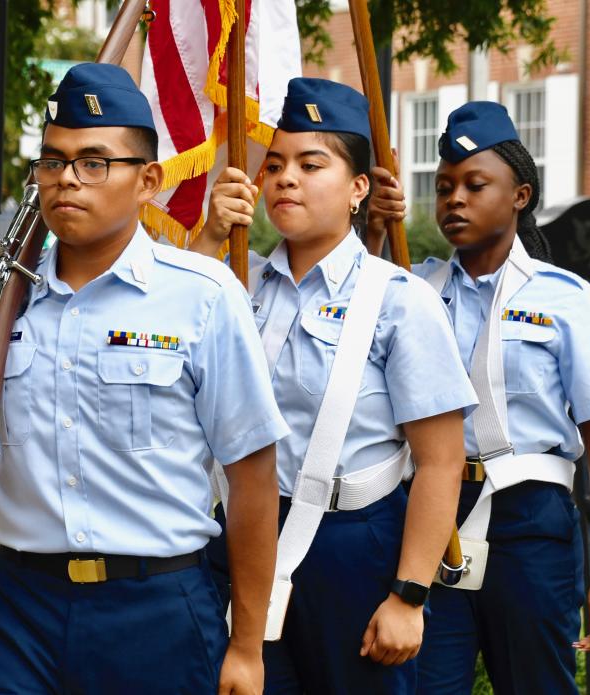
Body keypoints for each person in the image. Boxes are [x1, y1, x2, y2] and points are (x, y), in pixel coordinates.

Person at [0, 63, 291, 695]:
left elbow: (252, 478)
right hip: (19, 607)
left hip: (158, 607)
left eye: (94, 162)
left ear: (147, 181)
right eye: (52, 161)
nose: (67, 179)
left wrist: (248, 647)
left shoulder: (202, 295)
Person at [190, 77, 478, 694]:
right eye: (275, 165)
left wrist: (408, 595)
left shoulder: (398, 300)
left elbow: (441, 461)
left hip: (355, 548)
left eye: (310, 164)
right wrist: (210, 236)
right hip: (240, 539)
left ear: (357, 189)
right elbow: (173, 331)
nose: (286, 178)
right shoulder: (236, 283)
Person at [368, 101, 590, 694]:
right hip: (431, 518)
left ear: (520, 195)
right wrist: (371, 230)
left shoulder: (567, 300)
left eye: (474, 184)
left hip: (528, 523)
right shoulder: (411, 291)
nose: (454, 199)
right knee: (424, 683)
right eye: (443, 188)